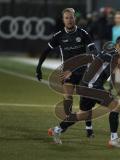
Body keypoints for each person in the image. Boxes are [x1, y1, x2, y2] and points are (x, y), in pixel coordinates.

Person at [48, 35, 120, 148]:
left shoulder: (115, 55)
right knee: (116, 107)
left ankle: (56, 130)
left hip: (87, 86)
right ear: (116, 45)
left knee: (83, 115)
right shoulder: (112, 55)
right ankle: (114, 139)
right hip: (91, 86)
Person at [35, 8, 97, 138]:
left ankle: (89, 127)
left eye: (71, 17)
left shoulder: (83, 33)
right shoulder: (59, 36)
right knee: (68, 98)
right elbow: (46, 51)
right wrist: (38, 67)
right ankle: (65, 123)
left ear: (75, 19)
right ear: (63, 20)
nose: (69, 20)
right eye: (67, 18)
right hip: (67, 72)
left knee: (85, 100)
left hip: (83, 72)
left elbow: (93, 51)